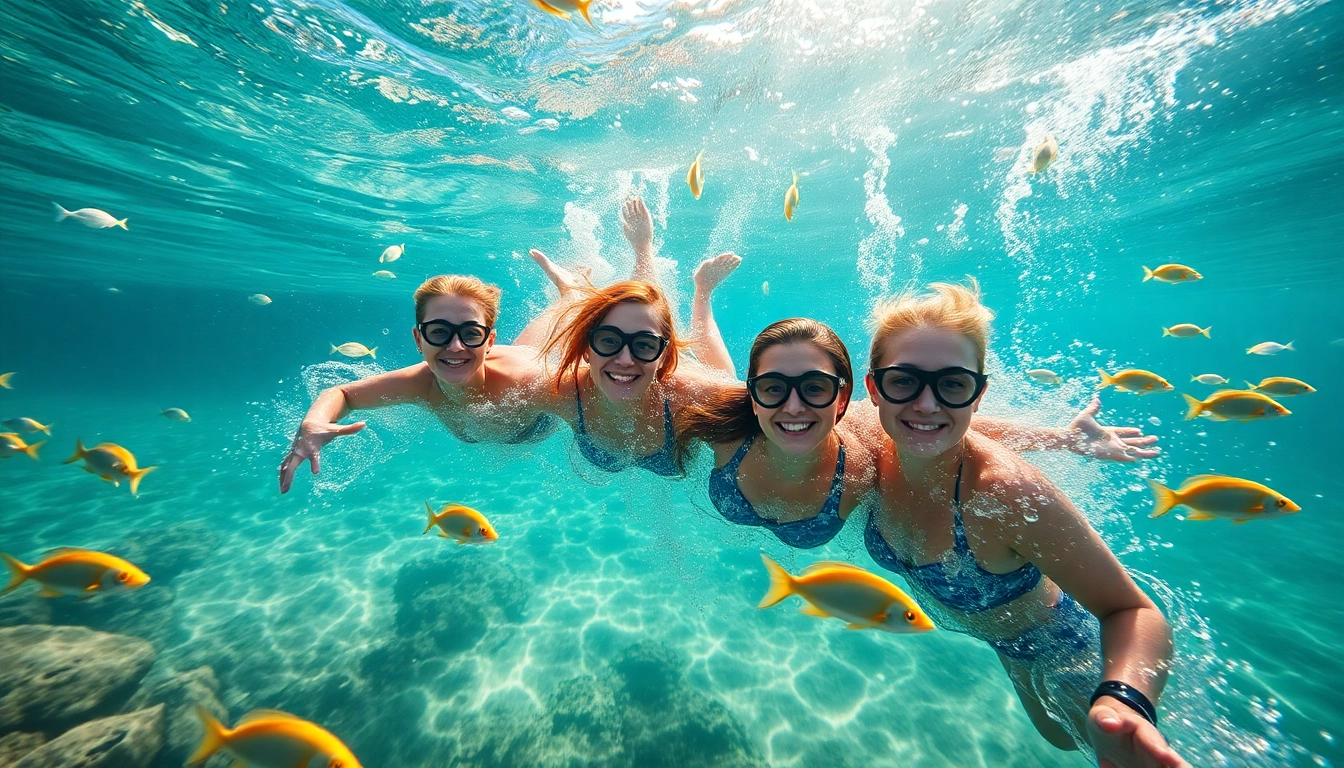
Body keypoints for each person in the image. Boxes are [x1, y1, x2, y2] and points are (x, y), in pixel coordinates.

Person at [860, 280, 1188, 767]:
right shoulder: (868, 433)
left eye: (953, 384)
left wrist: (1125, 700)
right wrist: (1059, 438)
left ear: (977, 394)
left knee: (1115, 748)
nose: (926, 404)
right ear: (873, 388)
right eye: (904, 380)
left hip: (1062, 647)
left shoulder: (1006, 494)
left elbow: (1133, 611)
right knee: (1057, 740)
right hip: (1005, 645)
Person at [672, 318, 1160, 550]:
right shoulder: (727, 424)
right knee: (721, 377)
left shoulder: (863, 458)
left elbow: (949, 427)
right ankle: (704, 297)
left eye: (816, 389)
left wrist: (1062, 439)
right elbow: (647, 367)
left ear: (845, 398)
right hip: (736, 404)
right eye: (773, 389)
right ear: (756, 397)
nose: (794, 405)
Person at [279, 274, 557, 493]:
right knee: (526, 347)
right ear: (418, 339)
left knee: (538, 351)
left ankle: (568, 297)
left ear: (490, 341)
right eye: (439, 332)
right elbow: (342, 394)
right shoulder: (418, 383)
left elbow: (588, 388)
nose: (456, 346)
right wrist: (314, 421)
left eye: (471, 333)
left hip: (533, 405)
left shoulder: (528, 380)